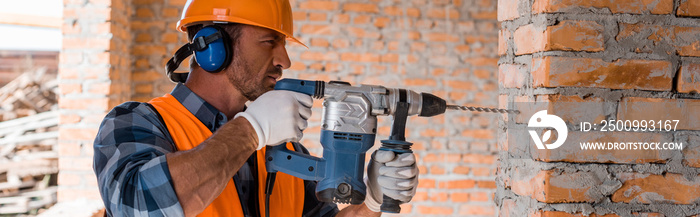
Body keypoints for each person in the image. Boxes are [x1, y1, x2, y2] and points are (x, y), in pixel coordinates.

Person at [92, 0, 419, 216]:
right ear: (211, 47)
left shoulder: (284, 148)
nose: (284, 61)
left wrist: (373, 200)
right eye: (268, 42)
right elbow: (135, 206)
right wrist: (250, 130)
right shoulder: (137, 122)